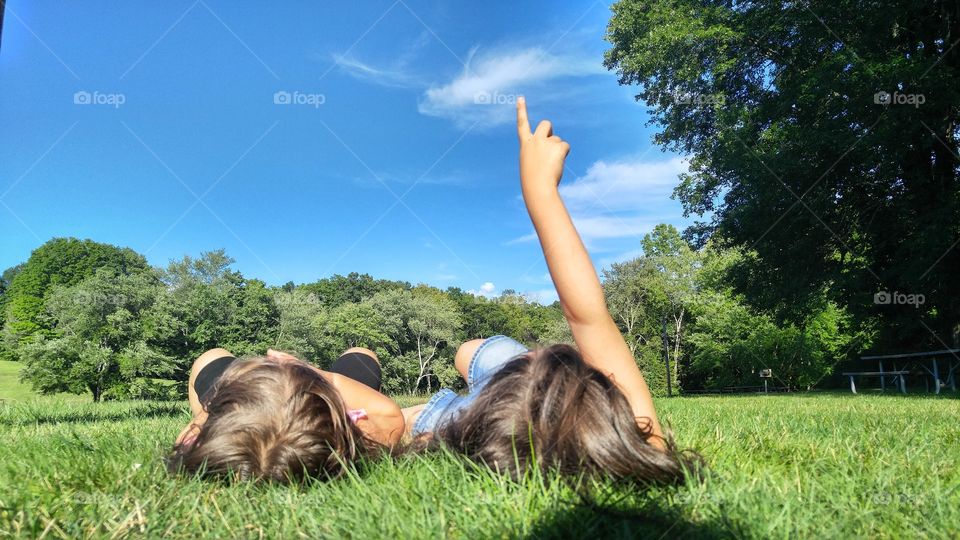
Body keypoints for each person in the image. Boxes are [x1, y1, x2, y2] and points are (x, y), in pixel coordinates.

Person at [402, 98, 695, 484]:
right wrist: (542, 191)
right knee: (468, 352)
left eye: (543, 360)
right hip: (499, 407)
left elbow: (585, 316)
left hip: (471, 414)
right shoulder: (628, 444)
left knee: (418, 397)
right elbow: (585, 315)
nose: (551, 351)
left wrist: (537, 188)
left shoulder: (448, 431)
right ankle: (495, 376)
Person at [168, 346, 403, 483]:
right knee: (359, 354)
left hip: (224, 412)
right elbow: (389, 415)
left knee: (211, 357)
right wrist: (316, 374)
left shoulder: (198, 440)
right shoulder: (348, 433)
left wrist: (217, 404)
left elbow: (192, 433)